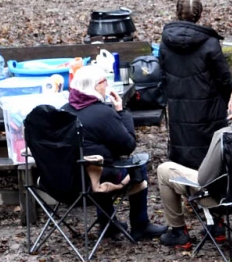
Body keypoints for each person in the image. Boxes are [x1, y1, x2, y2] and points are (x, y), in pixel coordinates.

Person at [155, 85, 232, 249]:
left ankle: (178, 232)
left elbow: (204, 179)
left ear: (231, 107)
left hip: (225, 200)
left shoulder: (224, 136)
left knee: (164, 170)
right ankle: (215, 227)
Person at [61, 66, 165, 240]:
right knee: (136, 165)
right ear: (94, 86)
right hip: (94, 181)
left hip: (65, 181)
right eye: (104, 82)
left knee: (95, 164)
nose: (107, 85)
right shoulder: (103, 114)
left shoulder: (63, 111)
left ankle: (108, 224)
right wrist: (121, 111)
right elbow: (128, 145)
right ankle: (140, 225)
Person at [160, 0, 232, 169]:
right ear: (199, 14)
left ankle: (185, 187)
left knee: (183, 149)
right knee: (208, 153)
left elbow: (162, 75)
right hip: (208, 108)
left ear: (177, 13)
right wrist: (229, 98)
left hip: (179, 107)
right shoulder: (210, 42)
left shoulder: (165, 41)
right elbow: (223, 77)